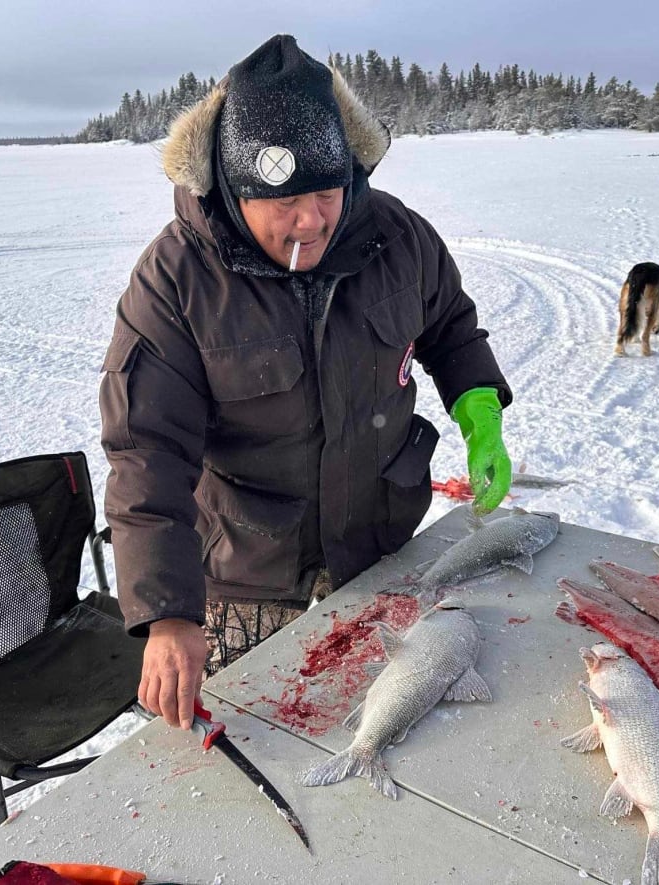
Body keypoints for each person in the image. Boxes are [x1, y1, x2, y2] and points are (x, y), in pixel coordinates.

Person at [99, 34, 513, 730]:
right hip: (247, 575)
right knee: (258, 761)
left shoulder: (399, 239)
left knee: (400, 740)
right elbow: (147, 452)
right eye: (283, 202)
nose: (310, 219)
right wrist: (168, 613)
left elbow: (450, 325)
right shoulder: (175, 280)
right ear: (234, 191)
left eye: (325, 192)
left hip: (382, 544)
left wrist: (480, 413)